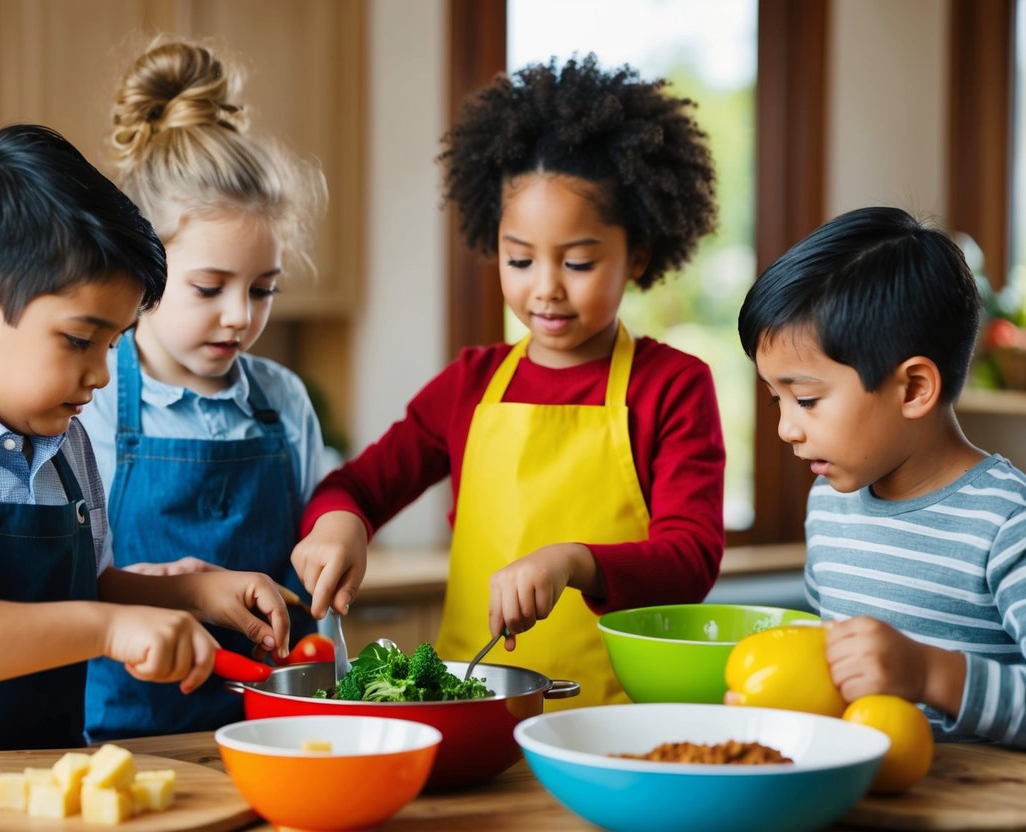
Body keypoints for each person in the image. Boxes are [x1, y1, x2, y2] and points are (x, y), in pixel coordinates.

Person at [0, 124, 292, 771]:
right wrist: (107, 629)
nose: (99, 373)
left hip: (34, 787)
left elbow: (82, 589)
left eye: (113, 343)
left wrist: (193, 596)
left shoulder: (63, 444)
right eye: (78, 339)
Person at [291, 55, 725, 707]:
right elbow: (356, 486)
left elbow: (690, 556)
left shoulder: (671, 386)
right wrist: (337, 524)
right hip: (476, 713)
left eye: (577, 261)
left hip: (610, 720)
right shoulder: (468, 384)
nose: (544, 287)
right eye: (518, 258)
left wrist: (573, 561)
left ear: (636, 253)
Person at [78, 38, 328, 740]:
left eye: (262, 289)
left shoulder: (283, 402)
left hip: (273, 729)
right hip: (121, 736)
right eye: (209, 287)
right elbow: (63, 584)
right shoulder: (89, 402)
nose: (240, 316)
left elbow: (317, 562)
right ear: (143, 266)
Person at [736, 205, 1026, 747]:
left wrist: (930, 674)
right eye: (776, 398)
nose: (785, 429)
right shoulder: (828, 504)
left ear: (914, 389)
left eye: (805, 399)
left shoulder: (1006, 524)